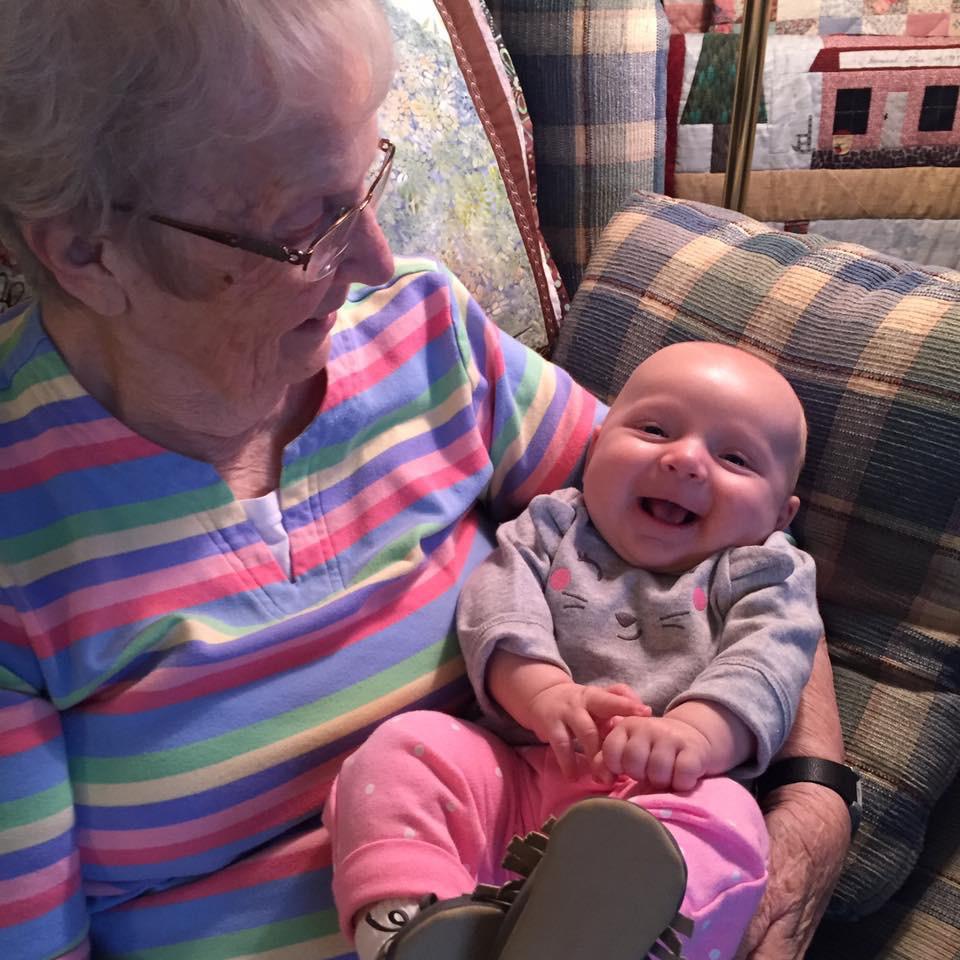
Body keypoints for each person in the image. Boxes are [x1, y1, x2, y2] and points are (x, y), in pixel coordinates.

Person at [0, 2, 850, 959]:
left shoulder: (430, 335)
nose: (375, 258)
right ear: (85, 249)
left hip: (556, 877)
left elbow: (727, 549)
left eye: (366, 184)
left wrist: (815, 792)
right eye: (304, 225)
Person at [326, 342, 825, 960]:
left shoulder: (764, 571)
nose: (685, 460)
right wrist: (544, 694)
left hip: (662, 800)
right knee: (409, 747)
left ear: (781, 513)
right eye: (653, 428)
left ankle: (622, 937)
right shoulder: (552, 525)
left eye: (735, 457)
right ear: (593, 448)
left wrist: (695, 733)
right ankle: (416, 919)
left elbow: (770, 660)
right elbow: (498, 611)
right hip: (519, 773)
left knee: (729, 821)